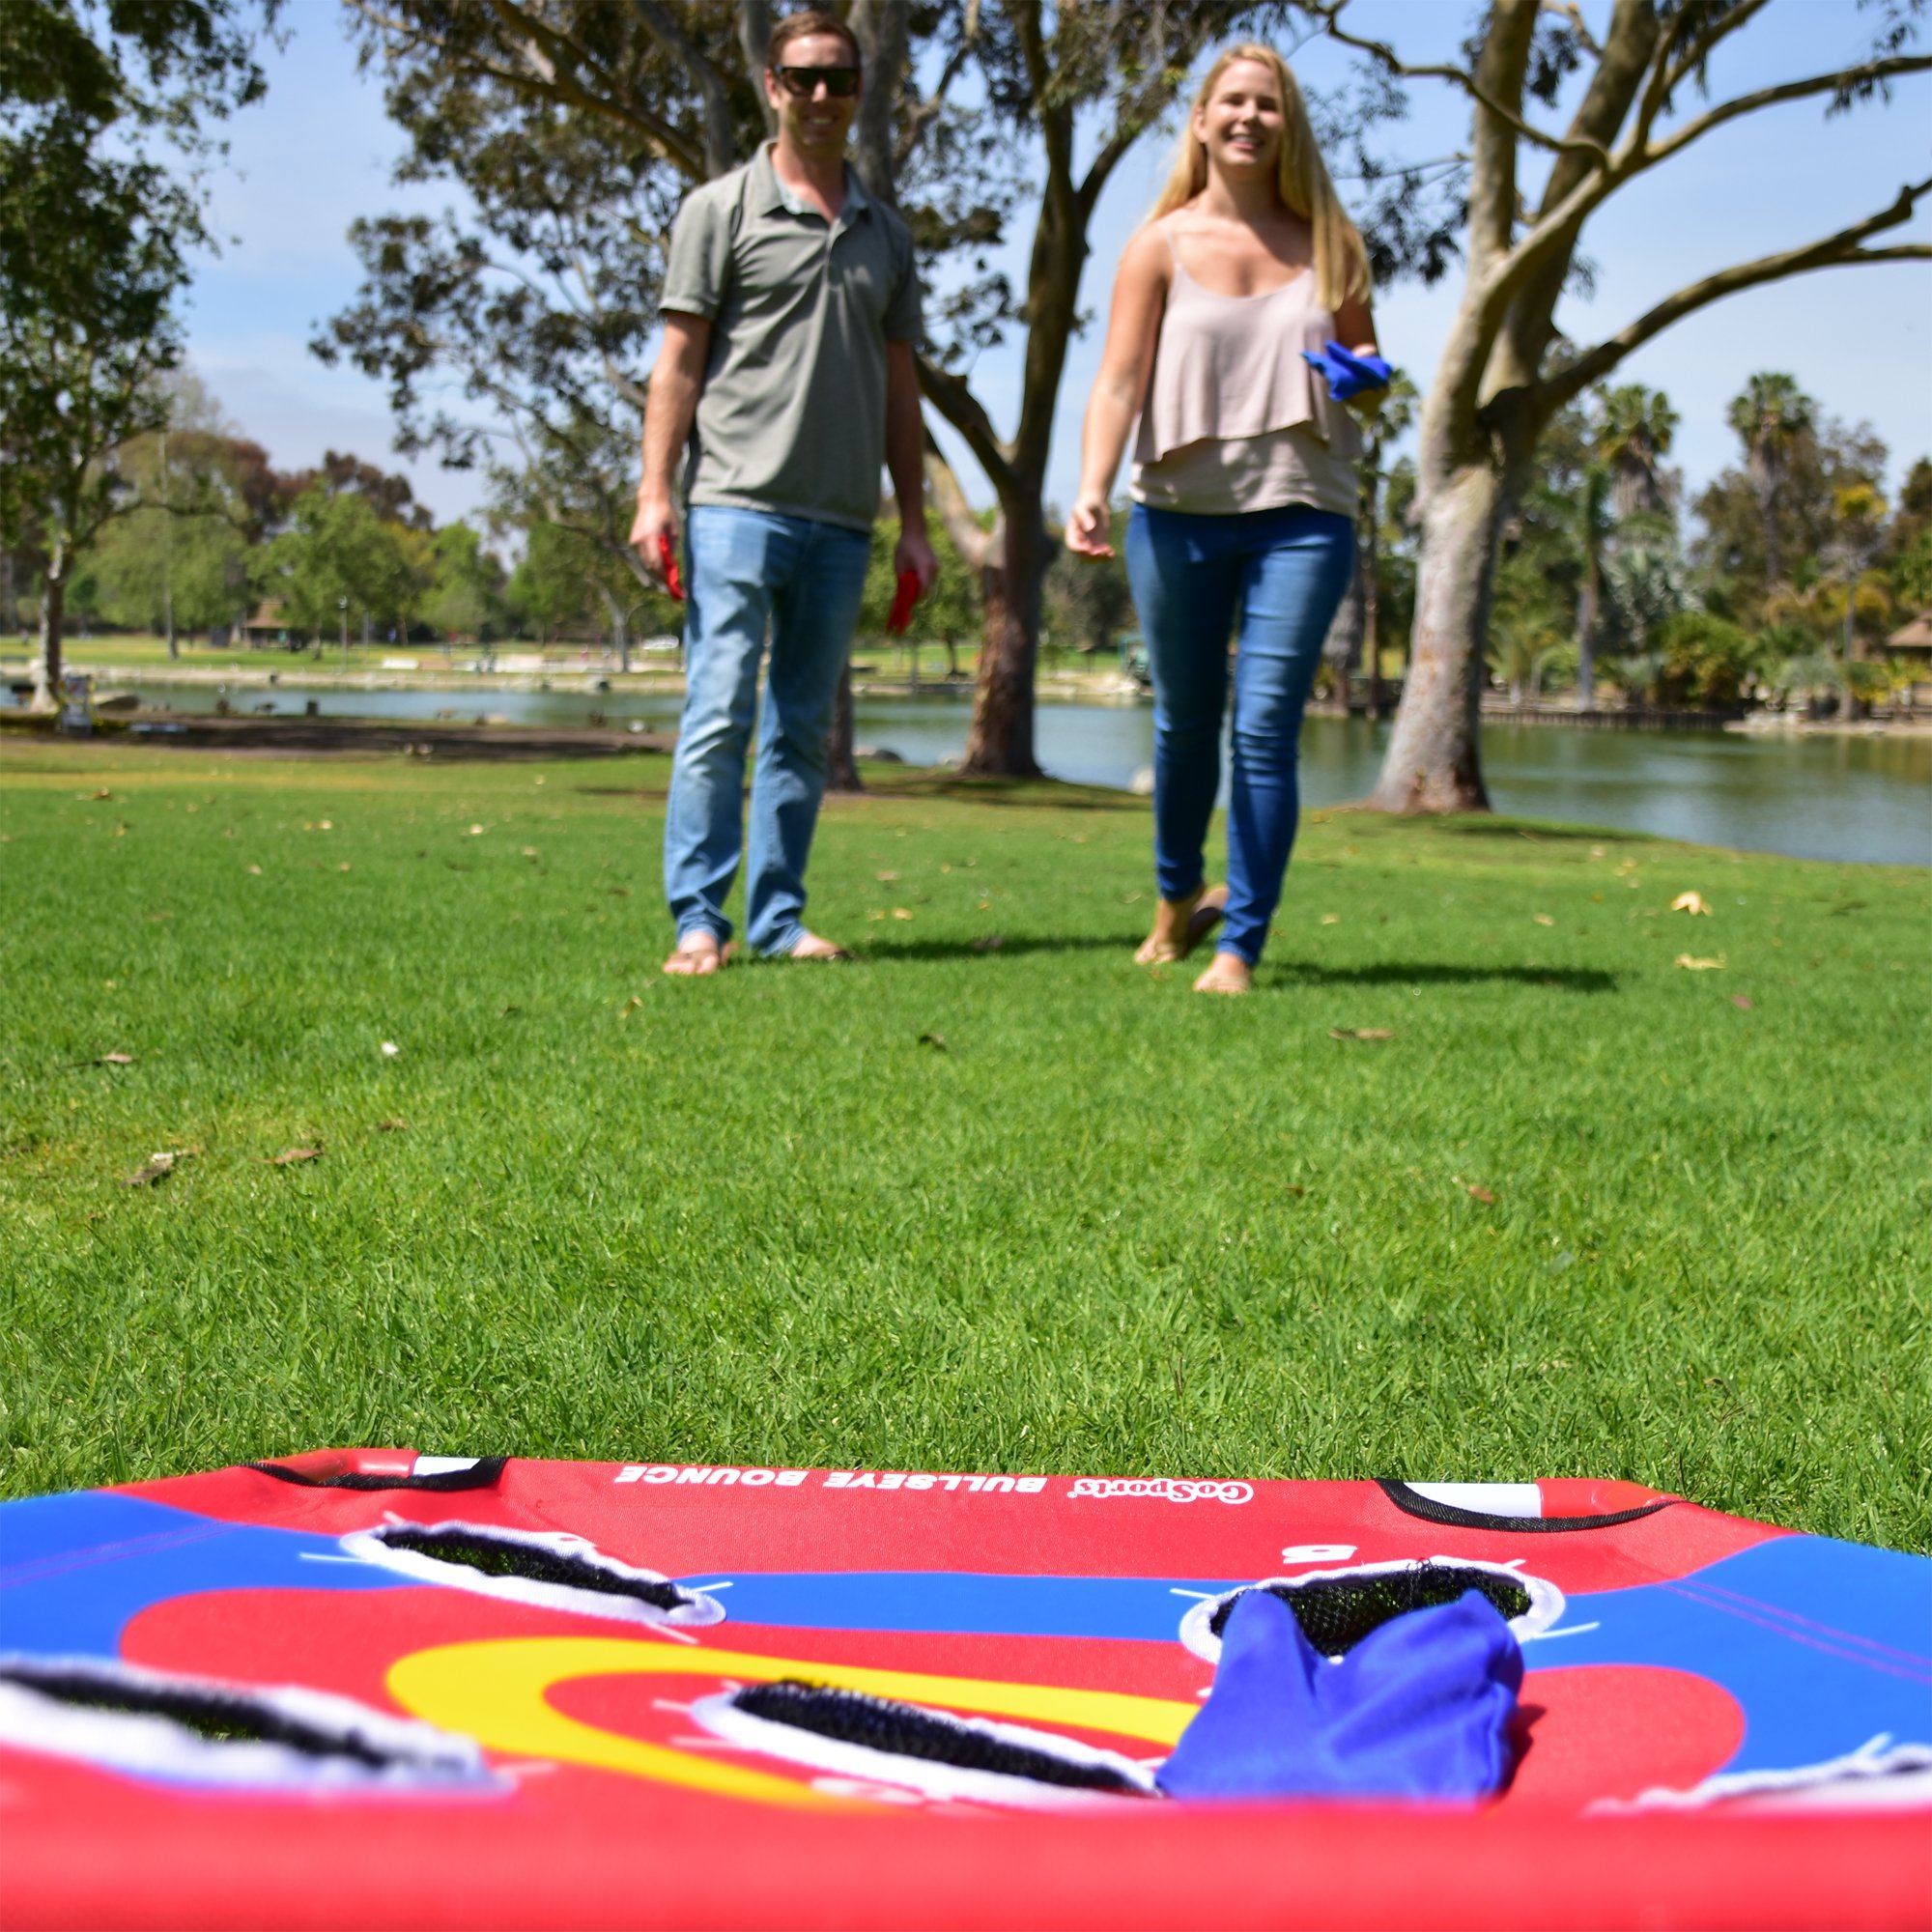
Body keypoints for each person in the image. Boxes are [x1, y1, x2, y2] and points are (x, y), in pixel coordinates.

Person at [1065, 43, 1380, 995]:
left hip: (1302, 511)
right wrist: (1088, 482)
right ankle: (1175, 896)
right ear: (1200, 120)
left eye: (1267, 104)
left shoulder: (1331, 243)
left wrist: (1361, 375)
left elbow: (1368, 374)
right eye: (1230, 102)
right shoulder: (1155, 245)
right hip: (1175, 513)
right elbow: (1117, 378)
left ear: (1288, 125)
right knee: (1184, 724)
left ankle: (1240, 940)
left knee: (1264, 729)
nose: (1247, 117)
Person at [631, 9, 935, 977]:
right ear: (770, 85)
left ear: (858, 93)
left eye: (837, 81)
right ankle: (697, 919)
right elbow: (677, 363)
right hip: (733, 506)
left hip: (842, 523)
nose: (818, 97)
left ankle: (775, 918)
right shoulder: (718, 211)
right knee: (719, 709)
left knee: (802, 728)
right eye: (799, 78)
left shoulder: (885, 235)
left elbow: (900, 388)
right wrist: (653, 494)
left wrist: (914, 524)